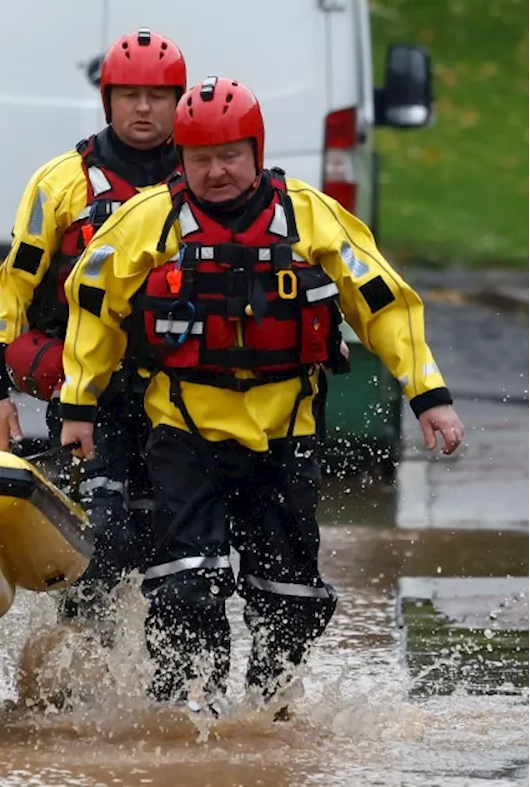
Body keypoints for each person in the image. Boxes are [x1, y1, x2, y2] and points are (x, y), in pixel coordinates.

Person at [58, 75, 465, 718]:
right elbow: (92, 307)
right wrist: (79, 405)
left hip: (286, 432)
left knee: (290, 599)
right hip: (183, 429)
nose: (216, 172)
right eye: (200, 159)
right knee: (186, 589)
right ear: (181, 159)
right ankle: (189, 721)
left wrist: (428, 395)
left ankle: (269, 714)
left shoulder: (311, 216)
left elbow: (383, 303)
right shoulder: (147, 222)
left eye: (229, 156)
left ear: (256, 151)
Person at [0, 29, 187, 627]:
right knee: (101, 542)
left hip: (177, 398)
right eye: (129, 95)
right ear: (108, 101)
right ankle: (71, 677)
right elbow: (13, 288)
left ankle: (149, 692)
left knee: (173, 553)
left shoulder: (203, 181)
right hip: (87, 396)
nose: (143, 108)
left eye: (157, 95)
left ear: (178, 102)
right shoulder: (61, 182)